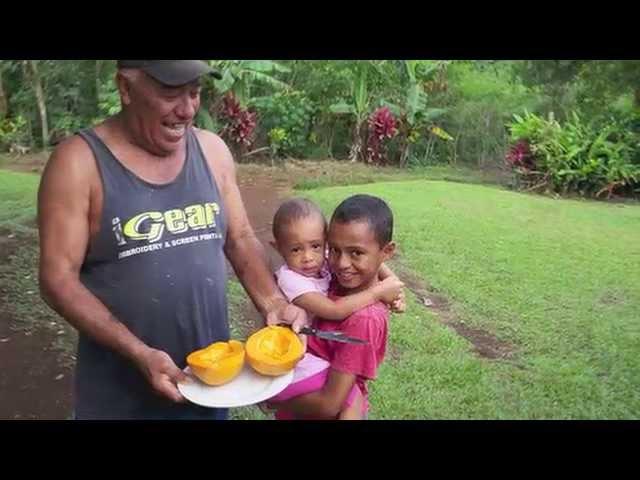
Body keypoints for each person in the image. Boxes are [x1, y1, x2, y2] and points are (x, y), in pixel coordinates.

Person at [37, 60, 307, 420]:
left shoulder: (212, 152)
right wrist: (137, 351)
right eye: (169, 93)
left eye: (194, 92)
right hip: (119, 404)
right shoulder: (78, 163)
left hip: (209, 392)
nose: (187, 109)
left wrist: (273, 302)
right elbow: (57, 279)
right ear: (126, 88)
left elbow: (239, 237)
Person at [263, 197, 404, 419]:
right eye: (335, 250)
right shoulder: (337, 275)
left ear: (386, 251)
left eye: (355, 253)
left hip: (318, 406)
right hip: (305, 390)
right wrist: (386, 286)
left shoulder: (364, 319)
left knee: (353, 400)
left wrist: (271, 400)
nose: (340, 263)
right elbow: (334, 306)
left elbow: (328, 406)